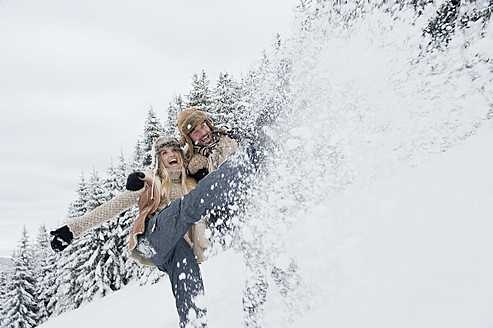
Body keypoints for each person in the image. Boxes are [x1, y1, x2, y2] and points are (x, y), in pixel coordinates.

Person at [50, 137, 209, 328]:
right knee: (178, 211)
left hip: (177, 246)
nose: (171, 155)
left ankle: (195, 323)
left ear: (181, 155)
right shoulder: (149, 182)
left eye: (174, 150)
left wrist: (204, 181)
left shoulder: (191, 184)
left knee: (187, 268)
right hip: (153, 239)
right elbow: (113, 206)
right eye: (164, 153)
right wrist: (72, 230)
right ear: (159, 159)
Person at [176, 109, 306, 327]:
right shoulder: (195, 166)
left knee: (277, 255)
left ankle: (298, 300)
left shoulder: (232, 138)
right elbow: (175, 180)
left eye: (203, 126)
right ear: (189, 139)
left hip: (259, 205)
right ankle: (254, 318)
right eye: (195, 132)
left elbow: (259, 148)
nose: (202, 132)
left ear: (209, 123)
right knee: (259, 265)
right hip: (235, 220)